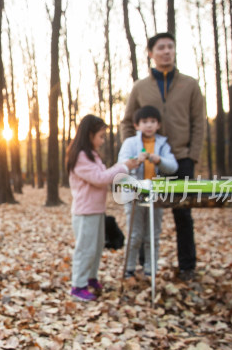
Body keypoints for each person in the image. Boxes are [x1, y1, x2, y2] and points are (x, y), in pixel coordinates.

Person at [121, 32, 206, 281]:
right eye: (161, 48)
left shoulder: (189, 84)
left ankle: (187, 266)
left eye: (170, 47)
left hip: (179, 159)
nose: (166, 51)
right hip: (146, 162)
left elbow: (199, 123)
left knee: (183, 213)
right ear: (151, 53)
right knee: (143, 211)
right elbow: (127, 121)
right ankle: (143, 265)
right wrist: (134, 149)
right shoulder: (140, 87)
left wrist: (192, 156)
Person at [67, 114, 139, 302]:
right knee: (86, 248)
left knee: (97, 247)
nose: (102, 140)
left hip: (96, 209)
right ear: (89, 134)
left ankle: (91, 278)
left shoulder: (92, 155)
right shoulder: (81, 156)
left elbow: (103, 174)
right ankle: (78, 285)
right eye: (100, 136)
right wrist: (123, 166)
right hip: (85, 211)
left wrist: (123, 167)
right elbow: (100, 179)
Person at [118, 105, 178, 278]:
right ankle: (129, 268)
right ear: (137, 125)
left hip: (156, 195)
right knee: (135, 234)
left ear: (158, 124)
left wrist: (159, 161)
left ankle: (150, 269)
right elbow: (121, 166)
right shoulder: (130, 143)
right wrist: (136, 161)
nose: (149, 125)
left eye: (153, 121)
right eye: (145, 122)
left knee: (152, 235)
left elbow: (172, 167)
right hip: (134, 194)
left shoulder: (163, 144)